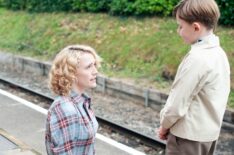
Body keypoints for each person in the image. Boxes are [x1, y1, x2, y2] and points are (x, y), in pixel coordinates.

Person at [158, 0, 230, 155]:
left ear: (196, 27)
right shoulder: (219, 54)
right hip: (208, 136)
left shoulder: (197, 58)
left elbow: (177, 103)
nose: (179, 31)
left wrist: (165, 125)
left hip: (186, 137)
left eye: (181, 26)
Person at [45, 45, 101, 155]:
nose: (95, 71)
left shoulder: (81, 102)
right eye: (89, 67)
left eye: (94, 65)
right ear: (71, 73)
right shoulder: (66, 109)